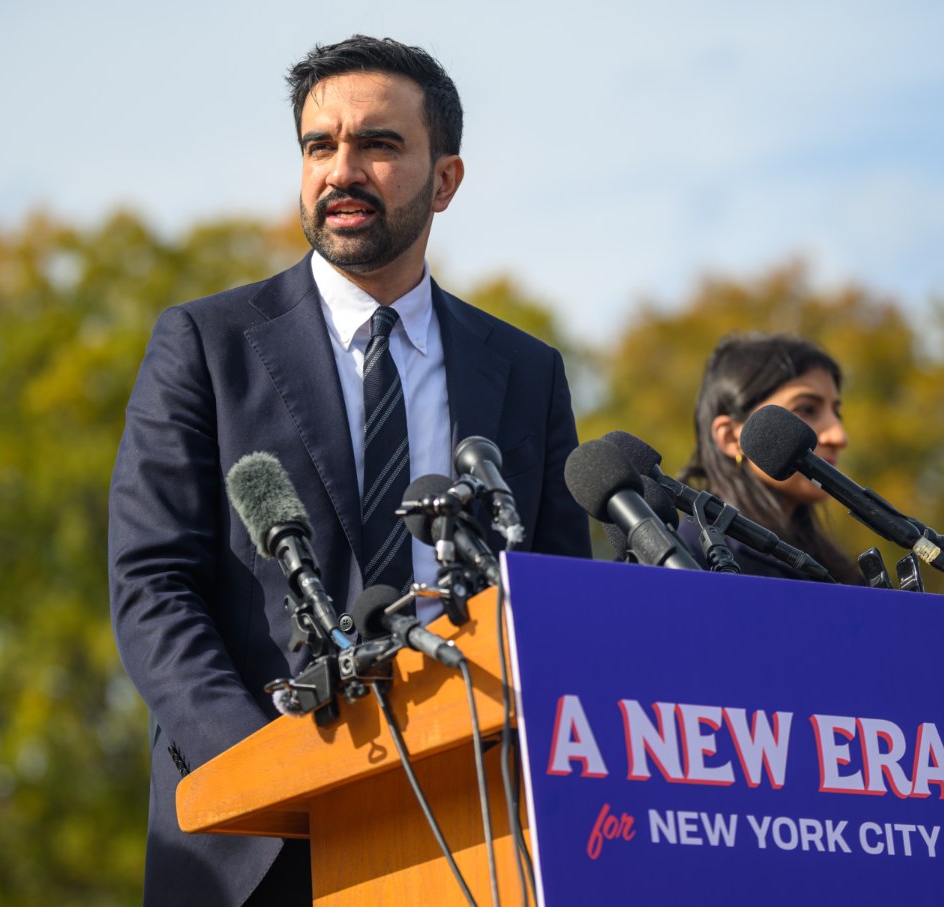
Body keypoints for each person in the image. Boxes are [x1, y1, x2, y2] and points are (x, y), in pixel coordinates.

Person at [108, 36, 590, 906]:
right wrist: (269, 768)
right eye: (318, 146)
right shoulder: (206, 347)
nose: (341, 169)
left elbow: (558, 596)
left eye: (378, 143)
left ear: (446, 181)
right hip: (259, 838)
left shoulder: (525, 370)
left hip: (479, 829)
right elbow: (152, 584)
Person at [677, 332, 863, 585]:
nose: (839, 436)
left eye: (836, 412)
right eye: (807, 409)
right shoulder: (683, 559)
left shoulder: (840, 572)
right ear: (732, 438)